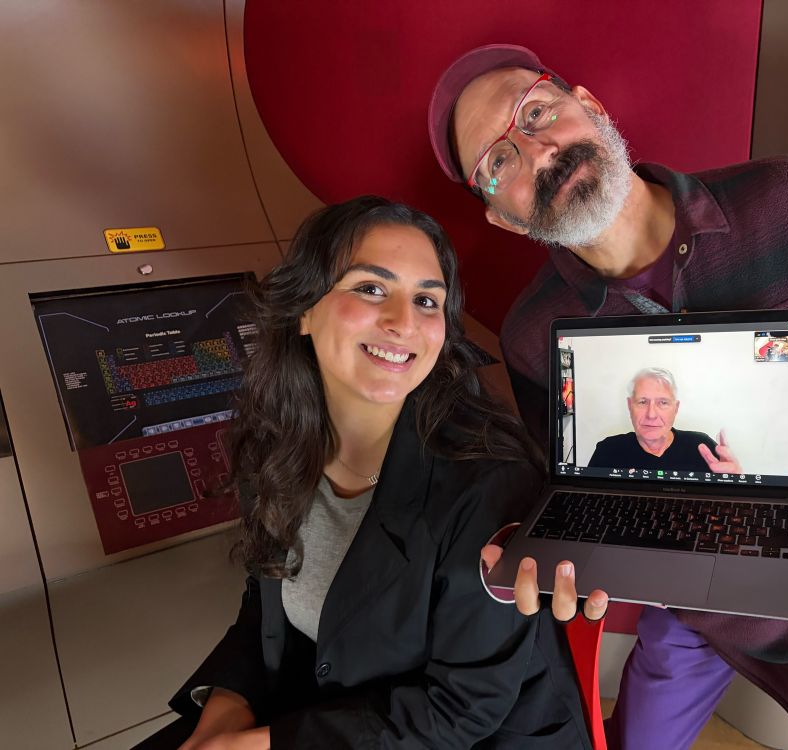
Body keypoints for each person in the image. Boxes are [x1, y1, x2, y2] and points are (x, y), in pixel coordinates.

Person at [429, 44, 788, 749]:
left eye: (537, 112)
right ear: (504, 218)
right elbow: (575, 482)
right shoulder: (531, 335)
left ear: (592, 107)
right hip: (708, 593)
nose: (538, 150)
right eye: (499, 161)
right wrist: (536, 543)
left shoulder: (785, 196)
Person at [135, 197, 591, 749]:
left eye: (427, 300)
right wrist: (222, 713)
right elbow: (265, 608)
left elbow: (461, 711)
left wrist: (259, 745)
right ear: (303, 310)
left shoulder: (489, 482)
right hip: (337, 708)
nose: (404, 322)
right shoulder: (274, 445)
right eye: (371, 288)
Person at [588, 367, 740, 474]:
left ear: (676, 408)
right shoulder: (607, 451)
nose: (651, 414)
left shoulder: (701, 447)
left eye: (663, 403)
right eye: (642, 402)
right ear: (629, 406)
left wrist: (736, 485)